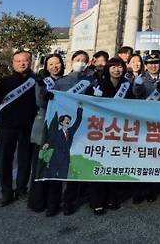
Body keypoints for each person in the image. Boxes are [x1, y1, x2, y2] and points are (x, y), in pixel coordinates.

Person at [45, 50, 95, 215]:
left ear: (88, 63)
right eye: (77, 59)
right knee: (56, 168)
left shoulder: (92, 81)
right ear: (72, 61)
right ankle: (53, 203)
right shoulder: (62, 82)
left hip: (82, 130)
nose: (80, 62)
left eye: (84, 60)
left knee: (73, 168)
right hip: (62, 128)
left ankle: (68, 202)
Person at [0, 51, 38, 207]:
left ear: (30, 62)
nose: (22, 63)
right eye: (18, 61)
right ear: (13, 63)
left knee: (25, 159)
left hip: (28, 126)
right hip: (7, 127)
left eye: (25, 60)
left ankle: (22, 188)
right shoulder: (4, 81)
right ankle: (6, 192)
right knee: (5, 159)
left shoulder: (37, 80)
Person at [87, 58, 133, 215]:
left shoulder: (127, 85)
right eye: (113, 67)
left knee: (113, 163)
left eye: (120, 67)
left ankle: (112, 197)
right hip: (100, 130)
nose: (117, 70)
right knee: (98, 164)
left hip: (119, 130)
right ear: (108, 69)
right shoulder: (99, 83)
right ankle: (97, 201)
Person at [28, 53, 65, 215]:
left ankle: (53, 204)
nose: (54, 66)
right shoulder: (42, 82)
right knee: (40, 166)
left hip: (60, 130)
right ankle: (37, 202)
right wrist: (44, 94)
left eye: (57, 63)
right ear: (46, 66)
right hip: (43, 129)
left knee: (56, 168)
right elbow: (39, 103)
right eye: (51, 64)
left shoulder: (68, 82)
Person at [132, 50, 160, 204]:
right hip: (144, 123)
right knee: (141, 156)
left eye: (156, 63)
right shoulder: (141, 79)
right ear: (146, 65)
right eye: (150, 63)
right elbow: (136, 94)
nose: (153, 66)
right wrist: (138, 85)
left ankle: (152, 190)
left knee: (155, 156)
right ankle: (138, 190)